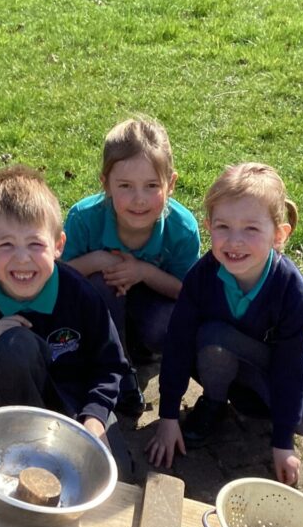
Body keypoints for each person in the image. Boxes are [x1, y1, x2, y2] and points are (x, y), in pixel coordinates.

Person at [146, 162, 303, 488]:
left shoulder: (291, 289)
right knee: (212, 337)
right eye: (223, 227)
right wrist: (167, 417)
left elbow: (288, 366)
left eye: (251, 229)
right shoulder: (201, 277)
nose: (234, 241)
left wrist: (282, 443)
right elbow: (178, 345)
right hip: (222, 351)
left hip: (273, 360)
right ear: (209, 227)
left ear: (279, 235)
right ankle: (215, 401)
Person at [0, 164, 132, 477]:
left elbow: (110, 364)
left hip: (75, 402)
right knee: (15, 346)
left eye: (35, 244)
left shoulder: (80, 294)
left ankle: (67, 440)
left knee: (116, 476)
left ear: (58, 245)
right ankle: (18, 439)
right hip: (13, 401)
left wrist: (94, 417)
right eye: (6, 245)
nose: (22, 258)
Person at [61, 116, 201, 417]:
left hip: (153, 301)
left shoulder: (182, 228)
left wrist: (143, 271)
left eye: (152, 186)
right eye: (125, 186)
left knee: (167, 327)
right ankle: (118, 371)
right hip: (100, 302)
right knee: (101, 282)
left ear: (171, 184)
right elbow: (60, 276)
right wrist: (99, 260)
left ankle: (139, 346)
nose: (139, 200)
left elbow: (187, 291)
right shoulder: (83, 218)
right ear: (106, 184)